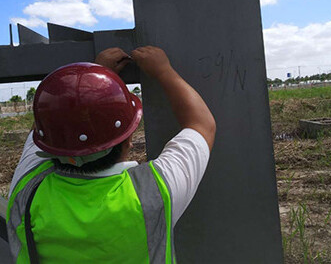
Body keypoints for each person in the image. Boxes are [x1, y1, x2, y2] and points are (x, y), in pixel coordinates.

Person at [7, 46, 216, 264]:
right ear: (128, 140)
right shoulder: (154, 190)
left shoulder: (28, 189)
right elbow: (202, 124)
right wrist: (163, 71)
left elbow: (47, 126)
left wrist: (92, 77)